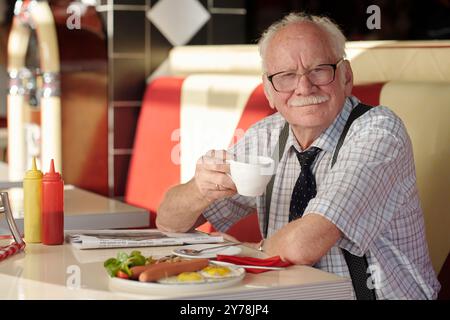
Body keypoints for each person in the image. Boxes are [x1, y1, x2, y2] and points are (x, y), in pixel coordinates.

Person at [156, 12, 440, 299]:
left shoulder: (378, 131)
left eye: (319, 70)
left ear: (346, 76)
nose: (304, 87)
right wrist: (199, 190)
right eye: (287, 75)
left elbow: (306, 244)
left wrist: (245, 252)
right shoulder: (267, 135)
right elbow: (168, 222)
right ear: (269, 90)